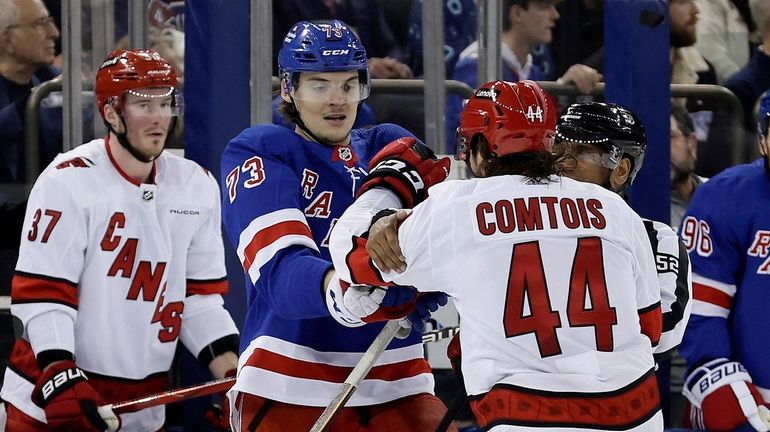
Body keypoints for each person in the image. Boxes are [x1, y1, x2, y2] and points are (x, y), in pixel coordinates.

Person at [329, 80, 664, 431]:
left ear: (480, 147)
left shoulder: (454, 207)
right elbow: (650, 328)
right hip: (636, 414)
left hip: (525, 419)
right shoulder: (615, 208)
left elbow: (352, 256)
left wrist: (388, 188)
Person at [220, 20, 454, 431]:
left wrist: (426, 278)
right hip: (287, 381)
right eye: (319, 85)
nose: (337, 100)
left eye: (348, 85)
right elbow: (278, 268)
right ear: (288, 88)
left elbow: (437, 239)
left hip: (397, 380)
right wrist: (337, 291)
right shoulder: (261, 151)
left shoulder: (390, 144)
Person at [0, 49, 240, 432]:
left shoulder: (196, 185)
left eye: (166, 102)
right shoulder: (67, 180)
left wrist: (232, 372)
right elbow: (44, 294)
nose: (160, 117)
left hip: (143, 407)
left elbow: (198, 299)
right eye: (144, 105)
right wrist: (60, 376)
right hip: (50, 399)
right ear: (111, 113)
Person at [677, 93, 770, 431]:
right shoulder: (725, 197)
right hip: (748, 398)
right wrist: (736, 402)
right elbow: (701, 313)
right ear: (762, 139)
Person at [446, 0, 603, 152]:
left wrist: (561, 89)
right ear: (517, 13)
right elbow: (472, 141)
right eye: (545, 6)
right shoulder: (476, 68)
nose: (555, 15)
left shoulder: (533, 71)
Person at [694, 0, 754, 84]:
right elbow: (713, 57)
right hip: (727, 91)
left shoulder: (732, 5)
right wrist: (746, 85)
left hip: (738, 86)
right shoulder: (706, 7)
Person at [670, 101, 705, 230]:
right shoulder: (633, 207)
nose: (661, 147)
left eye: (670, 136)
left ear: (692, 144)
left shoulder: (718, 194)